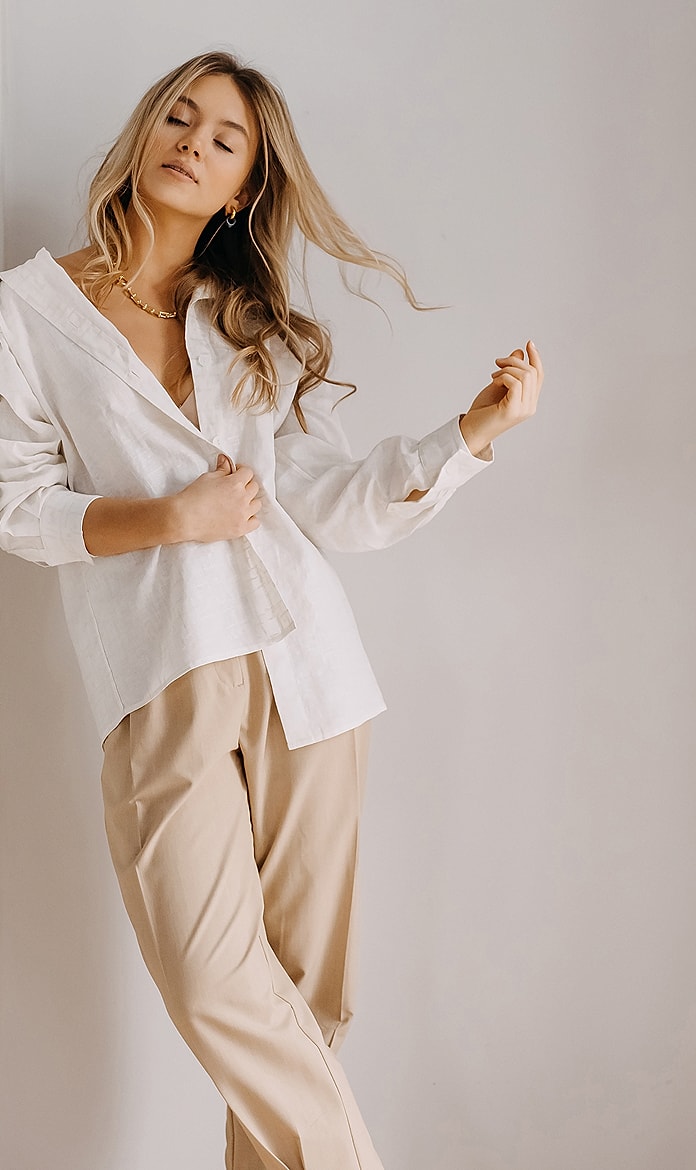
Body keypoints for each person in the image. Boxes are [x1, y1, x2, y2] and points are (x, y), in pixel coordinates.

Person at [0, 49, 544, 1170]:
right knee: (216, 985)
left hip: (310, 676)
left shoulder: (247, 326)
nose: (190, 142)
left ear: (244, 187)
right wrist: (170, 519)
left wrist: (467, 436)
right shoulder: (26, 309)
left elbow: (331, 501)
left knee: (304, 1004)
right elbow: (15, 505)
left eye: (222, 138)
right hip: (163, 679)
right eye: (179, 117)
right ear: (146, 130)